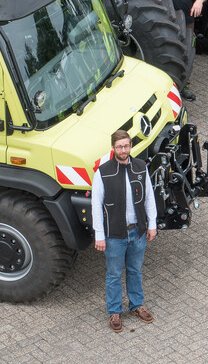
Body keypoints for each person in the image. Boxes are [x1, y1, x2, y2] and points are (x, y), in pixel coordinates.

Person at [92, 130, 157, 332]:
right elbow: (96, 205)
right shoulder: (103, 172)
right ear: (113, 148)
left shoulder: (140, 167)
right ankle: (114, 311)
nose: (123, 150)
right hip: (114, 235)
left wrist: (152, 224)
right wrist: (99, 235)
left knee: (135, 270)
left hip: (137, 232)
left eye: (126, 145)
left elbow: (149, 197)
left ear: (130, 146)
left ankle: (137, 305)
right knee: (113, 274)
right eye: (119, 146)